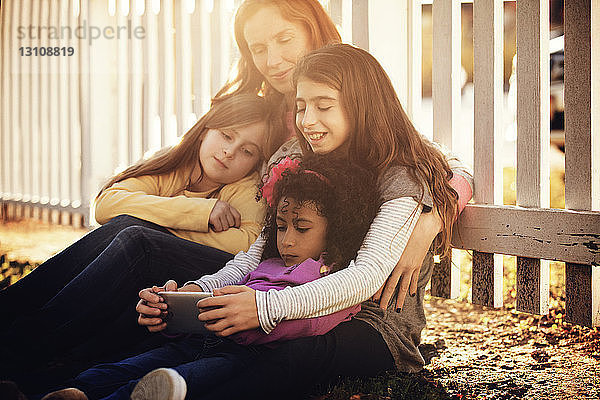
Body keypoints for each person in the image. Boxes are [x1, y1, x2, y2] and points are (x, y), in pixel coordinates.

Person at [190, 43, 473, 399]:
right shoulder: (299, 158)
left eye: (323, 106)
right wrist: (201, 291)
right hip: (289, 293)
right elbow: (258, 252)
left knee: (294, 356)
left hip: (374, 324)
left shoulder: (400, 173)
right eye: (302, 106)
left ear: (362, 106)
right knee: (223, 341)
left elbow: (365, 278)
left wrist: (264, 308)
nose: (307, 121)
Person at [40, 155, 379, 400]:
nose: (286, 239)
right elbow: (222, 281)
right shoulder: (268, 262)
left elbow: (308, 324)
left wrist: (244, 320)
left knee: (182, 379)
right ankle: (78, 390)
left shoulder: (333, 281)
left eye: (302, 228)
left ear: (334, 231)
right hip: (202, 339)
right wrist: (177, 308)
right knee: (134, 364)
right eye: (280, 226)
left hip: (244, 355)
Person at [0, 94, 273, 392]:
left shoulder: (246, 189)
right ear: (207, 127)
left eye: (247, 150)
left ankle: (15, 349)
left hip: (211, 280)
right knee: (128, 229)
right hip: (150, 286)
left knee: (135, 237)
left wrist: (153, 229)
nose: (230, 152)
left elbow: (245, 245)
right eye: (227, 135)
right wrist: (199, 212)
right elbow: (107, 204)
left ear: (256, 161)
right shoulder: (173, 163)